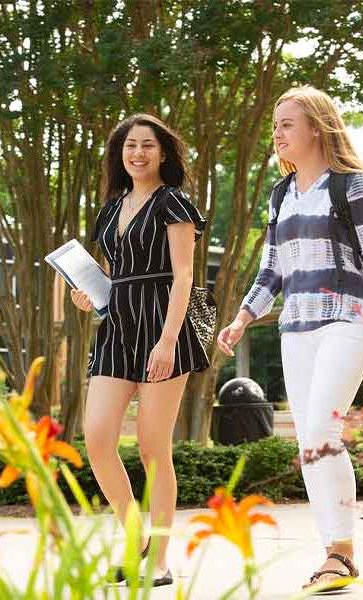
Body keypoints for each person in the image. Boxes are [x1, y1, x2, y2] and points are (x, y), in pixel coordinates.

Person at [216, 86, 363, 593]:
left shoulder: (350, 187)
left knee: (322, 431)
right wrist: (243, 318)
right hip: (298, 323)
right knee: (310, 441)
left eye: (288, 123)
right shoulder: (280, 194)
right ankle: (334, 552)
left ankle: (339, 554)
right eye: (275, 124)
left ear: (316, 127)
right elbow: (272, 269)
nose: (278, 132)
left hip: (350, 317)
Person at [70, 113, 209, 587]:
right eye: (130, 146)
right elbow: (116, 274)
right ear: (120, 154)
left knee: (153, 448)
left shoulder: (175, 204)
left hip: (164, 325)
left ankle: (161, 559)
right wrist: (88, 294)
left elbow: (184, 276)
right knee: (97, 437)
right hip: (116, 327)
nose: (138, 153)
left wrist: (168, 340)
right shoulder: (110, 209)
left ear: (163, 153)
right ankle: (137, 535)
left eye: (148, 145)